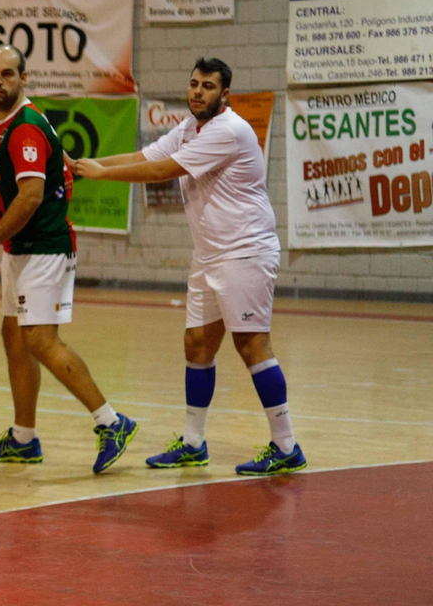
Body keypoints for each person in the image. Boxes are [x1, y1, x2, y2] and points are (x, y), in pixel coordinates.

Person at [72, 58, 304, 475]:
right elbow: (144, 154)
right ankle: (194, 443)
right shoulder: (188, 128)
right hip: (209, 255)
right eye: (194, 83)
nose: (198, 92)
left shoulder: (228, 131)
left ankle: (286, 445)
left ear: (224, 94)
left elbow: (163, 169)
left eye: (208, 86)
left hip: (244, 252)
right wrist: (92, 165)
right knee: (197, 344)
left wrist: (104, 177)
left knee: (252, 346)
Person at [0, 45, 138, 474]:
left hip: (42, 248)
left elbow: (31, 195)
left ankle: (111, 422)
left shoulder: (23, 127)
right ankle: (23, 438)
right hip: (20, 250)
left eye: (8, 73)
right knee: (13, 335)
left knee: (41, 340)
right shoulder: (11, 122)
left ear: (24, 78)